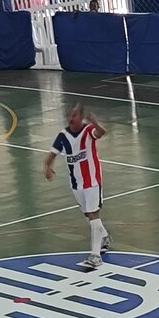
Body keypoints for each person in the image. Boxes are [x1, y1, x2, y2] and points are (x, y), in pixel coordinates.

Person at [44, 104, 111, 269]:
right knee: (89, 216)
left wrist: (95, 122)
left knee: (94, 215)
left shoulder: (88, 131)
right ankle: (104, 237)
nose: (71, 118)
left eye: (74, 115)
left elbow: (101, 133)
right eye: (69, 115)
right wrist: (47, 166)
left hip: (92, 181)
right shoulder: (63, 136)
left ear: (81, 117)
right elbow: (52, 154)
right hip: (76, 183)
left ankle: (95, 256)